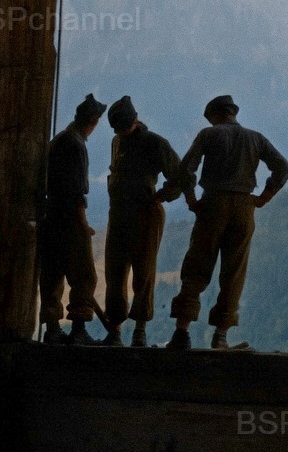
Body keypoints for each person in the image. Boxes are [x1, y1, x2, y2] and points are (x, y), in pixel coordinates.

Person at [167, 95, 288, 350]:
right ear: (233, 113)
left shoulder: (208, 135)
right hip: (244, 207)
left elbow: (186, 168)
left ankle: (181, 332)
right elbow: (282, 167)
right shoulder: (256, 138)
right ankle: (221, 337)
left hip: (213, 204)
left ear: (215, 115)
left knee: (198, 265)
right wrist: (264, 197)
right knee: (234, 272)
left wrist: (191, 199)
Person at [102, 96, 195, 347]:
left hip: (145, 215)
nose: (119, 132)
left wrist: (163, 195)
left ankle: (140, 330)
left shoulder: (155, 143)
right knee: (114, 272)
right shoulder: (116, 141)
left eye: (122, 126)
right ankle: (115, 330)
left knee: (143, 272)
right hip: (118, 214)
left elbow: (181, 175)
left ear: (134, 120)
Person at [39, 93, 107, 345]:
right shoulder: (76, 144)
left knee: (52, 275)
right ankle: (78, 330)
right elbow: (77, 191)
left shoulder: (58, 140)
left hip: (50, 217)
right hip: (69, 219)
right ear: (94, 120)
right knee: (84, 276)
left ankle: (53, 329)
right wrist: (83, 224)